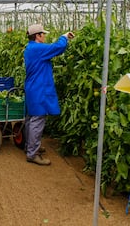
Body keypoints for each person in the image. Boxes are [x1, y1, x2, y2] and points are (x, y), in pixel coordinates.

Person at [24, 24, 74, 166]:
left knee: (31, 118)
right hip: (38, 88)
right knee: (37, 120)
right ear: (38, 36)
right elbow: (56, 48)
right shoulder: (37, 48)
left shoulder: (30, 48)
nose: (44, 36)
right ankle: (32, 154)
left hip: (32, 87)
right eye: (43, 34)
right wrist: (64, 37)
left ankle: (30, 147)